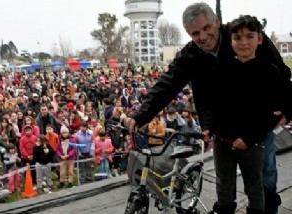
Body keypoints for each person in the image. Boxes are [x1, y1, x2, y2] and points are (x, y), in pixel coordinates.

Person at [123, 2, 291, 213]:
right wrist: (141, 114)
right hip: (223, 127)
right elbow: (167, 83)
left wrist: (285, 107)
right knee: (224, 183)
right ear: (188, 34)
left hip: (255, 123)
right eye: (195, 33)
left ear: (217, 23)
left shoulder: (243, 35)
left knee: (262, 175)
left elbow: (281, 72)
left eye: (206, 28)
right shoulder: (191, 55)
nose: (203, 37)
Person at [202, 15, 285, 214]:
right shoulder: (221, 69)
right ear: (231, 41)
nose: (243, 42)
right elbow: (211, 103)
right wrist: (208, 127)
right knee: (223, 184)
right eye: (238, 37)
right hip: (222, 140)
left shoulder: (269, 72)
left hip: (252, 142)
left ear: (260, 39)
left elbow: (273, 114)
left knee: (254, 186)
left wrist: (248, 138)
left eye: (249, 36)